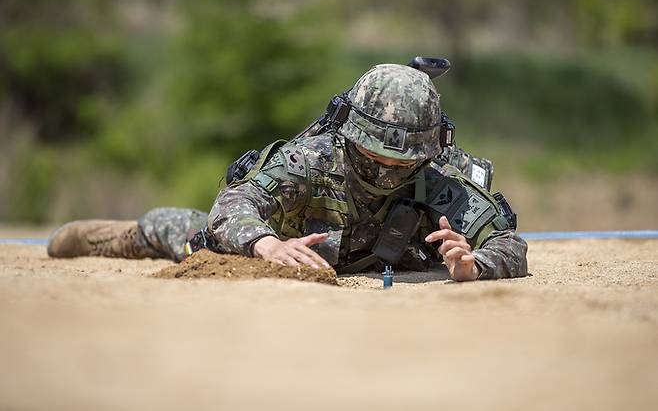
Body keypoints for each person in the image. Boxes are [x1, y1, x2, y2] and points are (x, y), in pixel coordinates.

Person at [48, 64, 527, 281]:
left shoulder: (442, 179)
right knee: (196, 241)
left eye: (403, 161)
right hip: (275, 247)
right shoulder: (312, 159)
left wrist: (474, 264)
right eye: (376, 155)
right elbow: (234, 204)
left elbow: (510, 243)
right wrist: (267, 244)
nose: (388, 168)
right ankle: (132, 233)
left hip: (379, 263)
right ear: (352, 137)